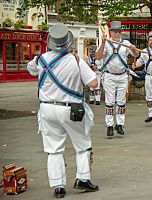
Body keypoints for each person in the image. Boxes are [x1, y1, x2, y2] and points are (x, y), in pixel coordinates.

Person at [27, 23, 99, 198]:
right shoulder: (75, 60)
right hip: (70, 109)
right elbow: (93, 83)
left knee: (54, 149)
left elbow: (31, 70)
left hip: (46, 109)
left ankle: (58, 186)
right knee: (82, 145)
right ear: (69, 43)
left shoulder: (40, 60)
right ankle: (82, 178)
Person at [95, 21, 139, 137]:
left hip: (122, 76)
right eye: (115, 31)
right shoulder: (107, 43)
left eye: (119, 31)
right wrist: (103, 43)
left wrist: (134, 49)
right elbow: (98, 56)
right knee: (109, 102)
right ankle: (109, 125)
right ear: (110, 32)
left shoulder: (125, 43)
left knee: (121, 102)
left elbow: (136, 55)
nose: (117, 33)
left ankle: (120, 124)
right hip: (109, 75)